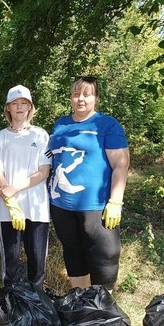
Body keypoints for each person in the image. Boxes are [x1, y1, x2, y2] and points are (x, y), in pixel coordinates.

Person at [48, 76, 130, 291]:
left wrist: (116, 201)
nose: (81, 99)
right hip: (61, 205)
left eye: (87, 94)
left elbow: (120, 165)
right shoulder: (61, 123)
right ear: (71, 97)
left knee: (105, 254)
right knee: (73, 251)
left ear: (96, 98)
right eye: (76, 94)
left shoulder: (107, 125)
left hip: (96, 205)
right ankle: (80, 300)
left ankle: (101, 307)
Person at [0, 85, 51, 288]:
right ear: (8, 108)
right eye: (15, 103)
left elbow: (44, 172)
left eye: (24, 103)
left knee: (37, 258)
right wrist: (9, 196)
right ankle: (12, 301)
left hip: (37, 206)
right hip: (9, 208)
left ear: (30, 107)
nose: (19, 107)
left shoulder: (41, 135)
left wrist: (15, 188)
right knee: (11, 259)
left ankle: (37, 303)